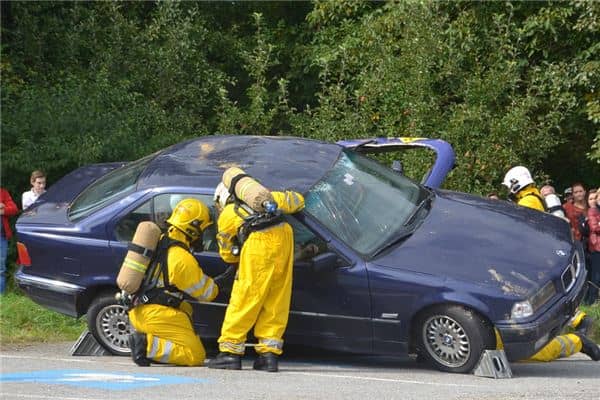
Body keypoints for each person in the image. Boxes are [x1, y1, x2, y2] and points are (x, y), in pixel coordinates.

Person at [207, 178, 305, 372]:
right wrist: (275, 196)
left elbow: (226, 253)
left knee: (246, 299)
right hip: (284, 240)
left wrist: (237, 260)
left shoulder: (229, 213)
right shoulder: (271, 198)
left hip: (259, 248)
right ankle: (268, 356)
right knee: (276, 299)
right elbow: (299, 201)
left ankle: (230, 353)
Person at [127, 198, 219, 366]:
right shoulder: (181, 259)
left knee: (186, 309)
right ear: (193, 229)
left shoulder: (162, 240)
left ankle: (153, 338)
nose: (203, 236)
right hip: (155, 315)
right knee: (195, 355)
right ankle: (145, 344)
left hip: (140, 309)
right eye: (203, 230)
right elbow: (207, 294)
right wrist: (222, 282)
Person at [0, 188, 19, 294]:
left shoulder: (3, 192)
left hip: (1, 238)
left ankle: (1, 297)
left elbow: (14, 209)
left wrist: (2, 210)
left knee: (0, 270)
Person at [584, 188, 600, 304]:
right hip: (596, 246)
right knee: (596, 275)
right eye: (591, 198)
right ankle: (591, 300)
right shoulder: (592, 211)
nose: (594, 200)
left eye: (595, 197)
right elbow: (595, 228)